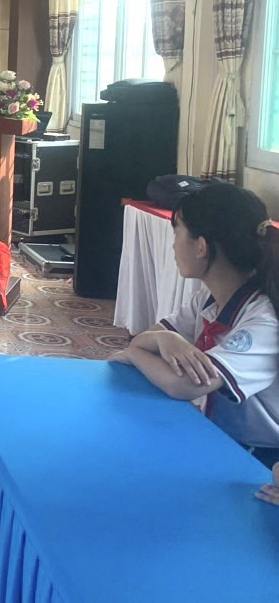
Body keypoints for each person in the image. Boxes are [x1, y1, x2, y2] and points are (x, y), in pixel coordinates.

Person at [113, 183, 279, 470]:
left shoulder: (262, 321)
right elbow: (146, 339)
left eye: (176, 234)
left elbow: (186, 385)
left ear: (201, 246)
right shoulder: (209, 297)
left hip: (262, 461)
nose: (173, 246)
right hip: (222, 436)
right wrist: (163, 339)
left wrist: (134, 354)